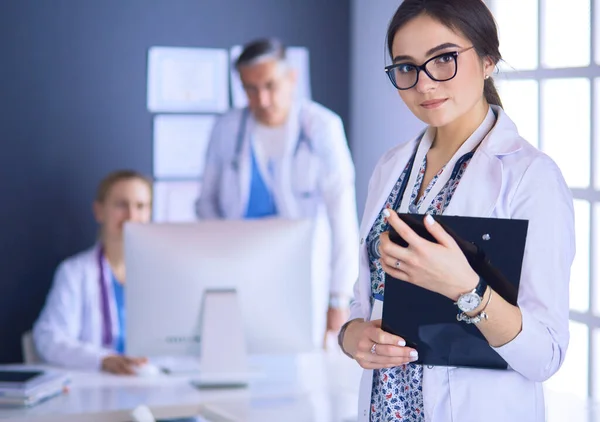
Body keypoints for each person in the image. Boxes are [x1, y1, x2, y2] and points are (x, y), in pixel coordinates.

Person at [338, 0, 575, 421]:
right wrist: (352, 336)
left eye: (444, 59)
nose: (424, 83)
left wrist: (466, 287)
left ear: (487, 60)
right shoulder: (390, 167)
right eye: (407, 67)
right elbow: (363, 302)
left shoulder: (530, 178)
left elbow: (546, 355)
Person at [196, 38, 360, 345]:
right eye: (250, 89)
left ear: (292, 78)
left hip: (303, 271)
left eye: (270, 85)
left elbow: (342, 216)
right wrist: (220, 247)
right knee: (240, 353)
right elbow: (206, 202)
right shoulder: (227, 128)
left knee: (302, 364)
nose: (263, 99)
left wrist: (339, 298)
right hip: (239, 266)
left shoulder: (322, 127)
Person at [33, 170, 153, 374]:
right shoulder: (75, 273)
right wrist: (103, 359)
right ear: (99, 211)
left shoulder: (160, 274)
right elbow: (48, 337)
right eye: (121, 205)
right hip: (96, 390)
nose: (131, 216)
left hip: (153, 386)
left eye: (140, 206)